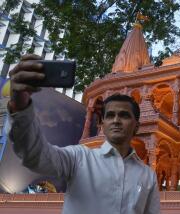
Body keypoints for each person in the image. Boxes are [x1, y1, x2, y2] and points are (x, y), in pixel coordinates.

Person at [7, 54, 160, 214]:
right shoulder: (78, 158)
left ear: (136, 127)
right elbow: (35, 155)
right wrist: (20, 107)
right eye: (109, 115)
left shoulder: (147, 175)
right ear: (102, 124)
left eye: (124, 115)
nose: (116, 120)